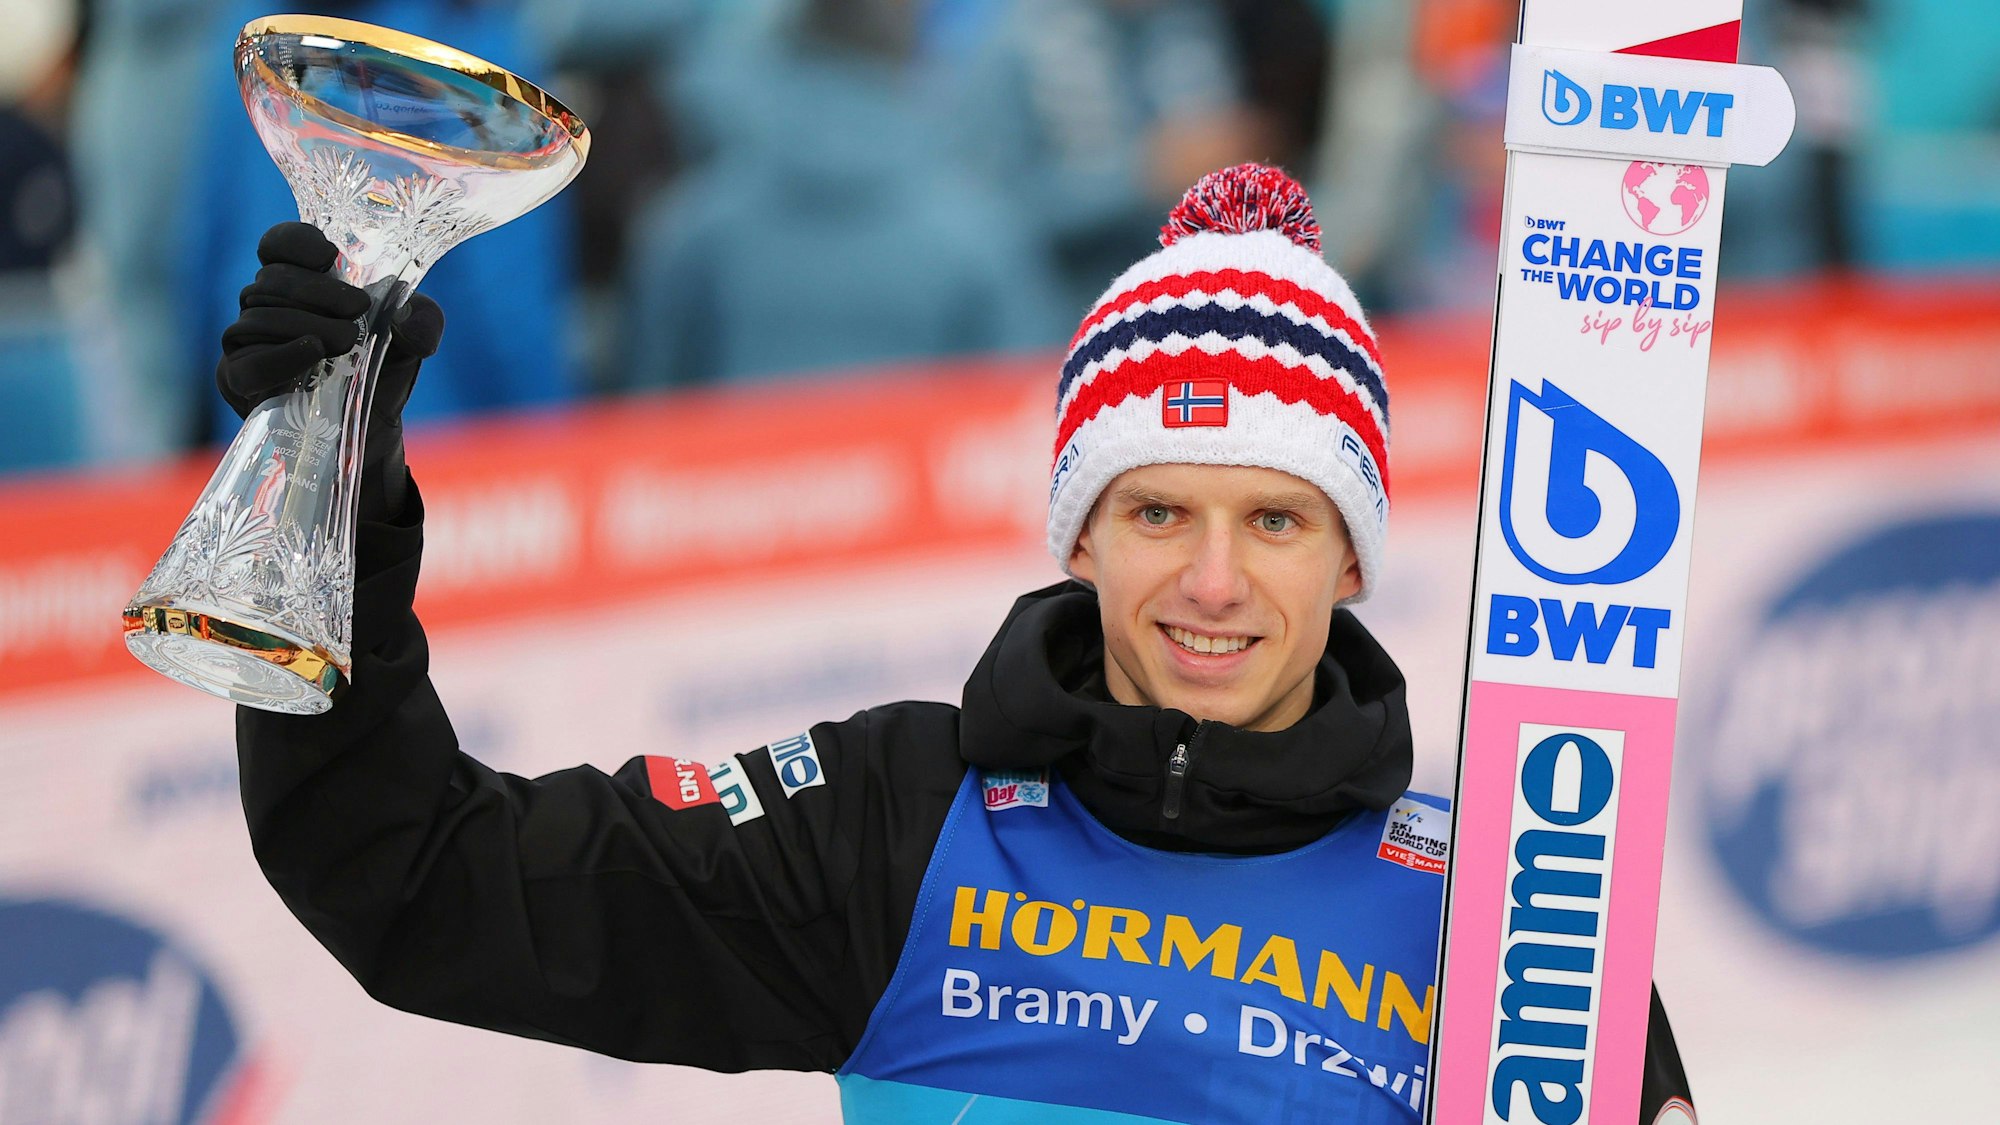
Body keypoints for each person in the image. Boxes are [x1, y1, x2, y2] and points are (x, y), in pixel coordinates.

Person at [221, 164, 1695, 1122]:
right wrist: (332, 485)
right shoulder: (900, 820)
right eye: (1160, 509)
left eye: (1279, 521)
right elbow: (413, 872)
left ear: (1355, 553)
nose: (1213, 581)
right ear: (1080, 535)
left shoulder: (1509, 919)